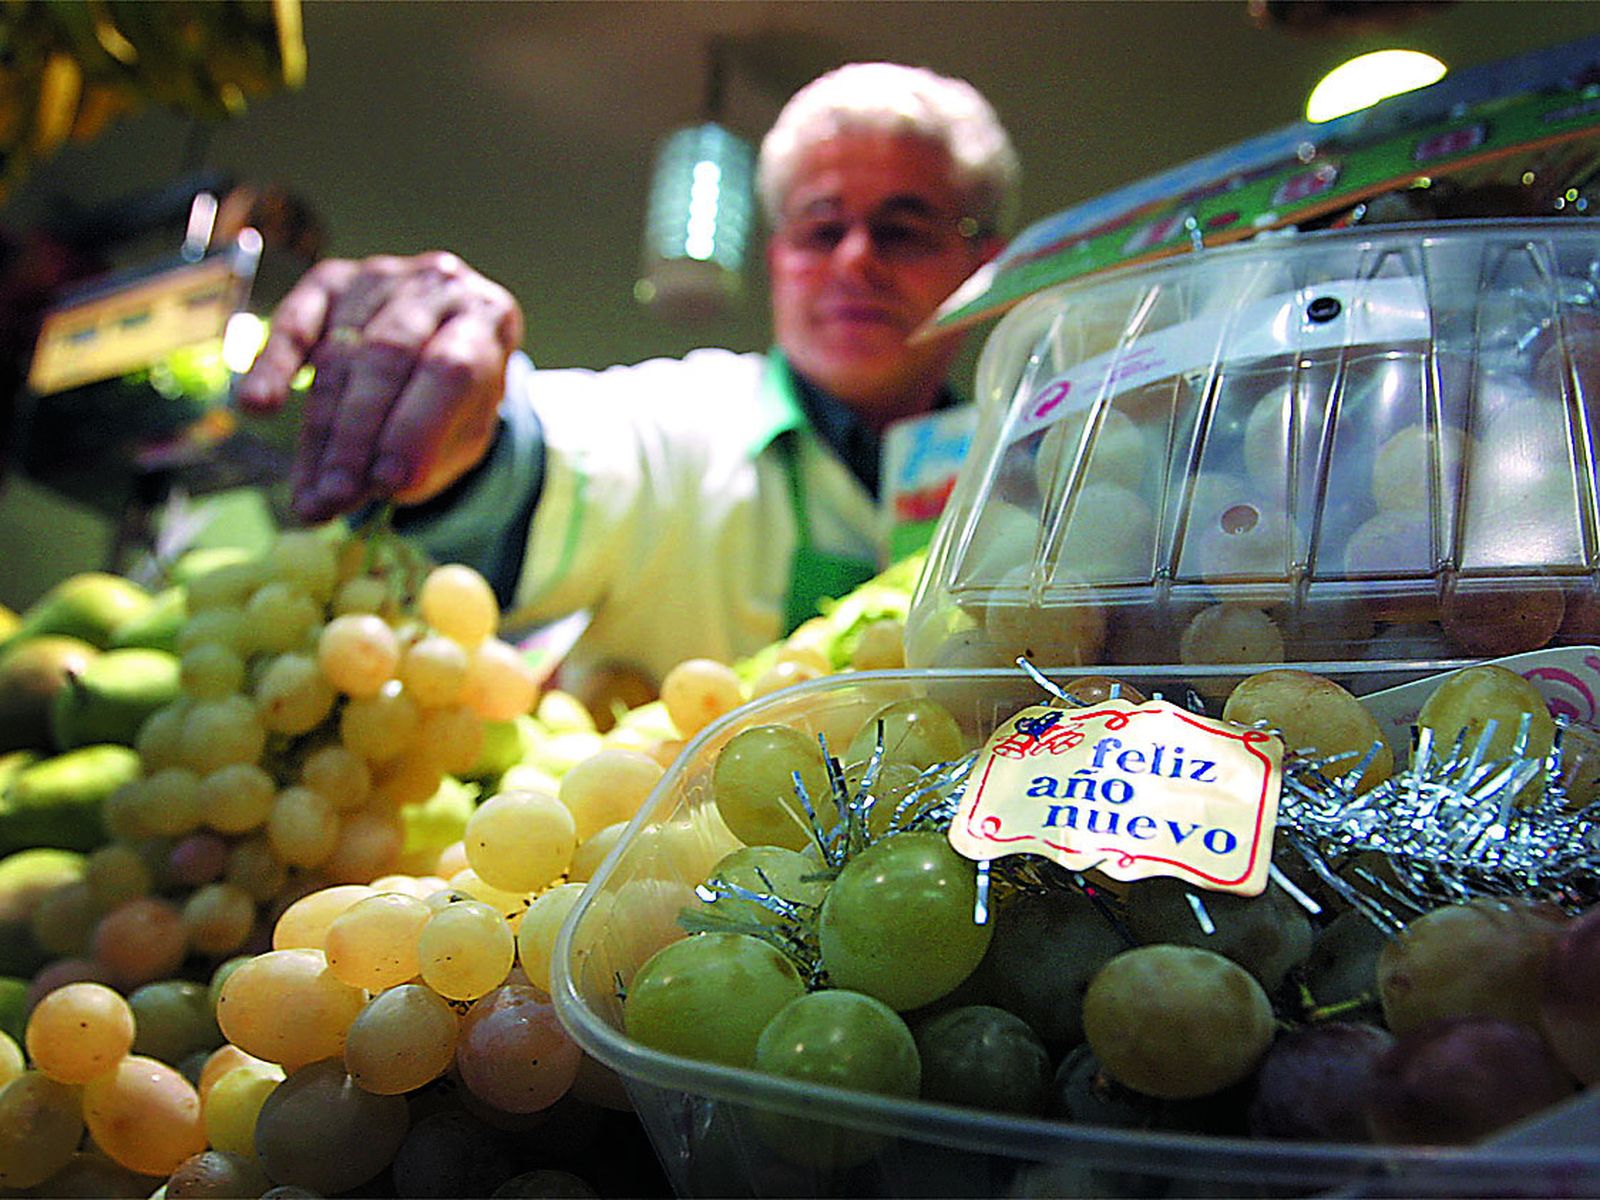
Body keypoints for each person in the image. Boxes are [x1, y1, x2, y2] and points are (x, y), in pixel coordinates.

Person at [237, 62, 1019, 685]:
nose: (855, 260)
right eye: (819, 228)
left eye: (903, 230)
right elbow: (539, 462)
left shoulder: (1039, 476)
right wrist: (456, 433)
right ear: (778, 255)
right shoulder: (678, 420)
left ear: (984, 264)